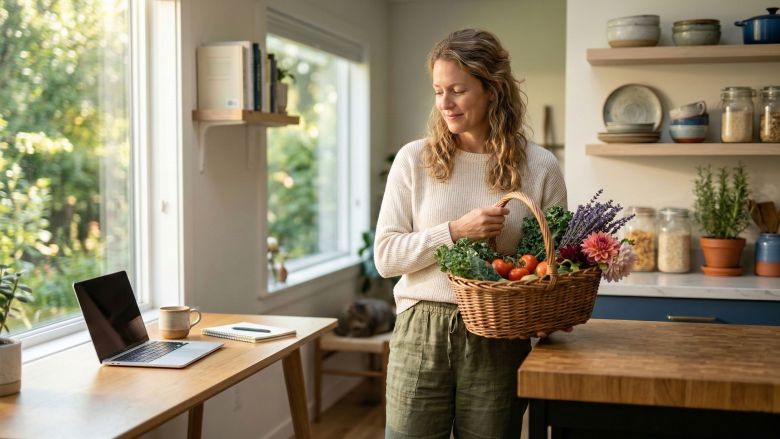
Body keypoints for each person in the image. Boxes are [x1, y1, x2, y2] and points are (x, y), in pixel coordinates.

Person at [374, 28, 567, 438]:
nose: (445, 103)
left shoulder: (540, 166)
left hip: (500, 334)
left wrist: (549, 306)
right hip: (420, 329)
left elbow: (554, 262)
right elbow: (386, 257)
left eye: (458, 90)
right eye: (438, 90)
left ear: (493, 90)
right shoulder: (415, 159)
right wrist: (455, 231)